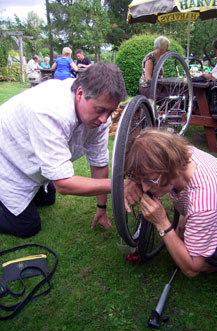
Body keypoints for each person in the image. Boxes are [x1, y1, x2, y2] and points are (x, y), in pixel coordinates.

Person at [0, 62, 127, 238]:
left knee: (47, 199)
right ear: (80, 93)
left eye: (111, 112)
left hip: (27, 157)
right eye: (100, 110)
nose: (105, 119)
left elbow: (98, 162)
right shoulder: (50, 110)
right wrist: (120, 186)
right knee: (27, 226)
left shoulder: (99, 113)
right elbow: (63, 184)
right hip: (6, 159)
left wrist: (101, 207)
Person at [124, 128, 217, 278]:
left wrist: (162, 223)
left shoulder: (206, 202)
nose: (144, 188)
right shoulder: (180, 152)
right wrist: (134, 182)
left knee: (203, 264)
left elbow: (192, 268)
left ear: (171, 169)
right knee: (181, 236)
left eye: (150, 180)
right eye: (140, 179)